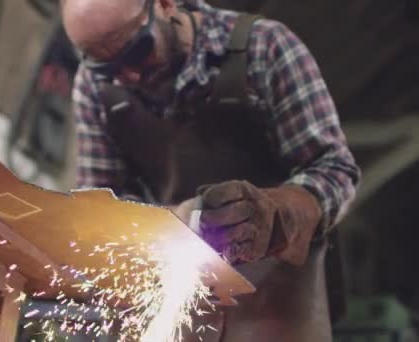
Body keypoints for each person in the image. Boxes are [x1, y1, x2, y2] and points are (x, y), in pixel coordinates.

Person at [62, 0, 361, 340]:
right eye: (105, 66)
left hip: (279, 304)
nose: (127, 75)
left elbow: (335, 169)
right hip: (180, 300)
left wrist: (274, 213)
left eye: (136, 51)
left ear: (164, 5)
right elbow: (100, 214)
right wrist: (172, 222)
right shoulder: (93, 87)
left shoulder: (265, 47)